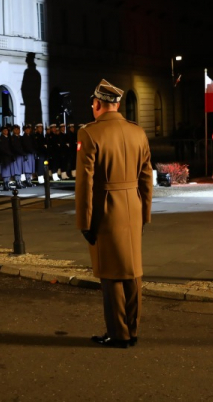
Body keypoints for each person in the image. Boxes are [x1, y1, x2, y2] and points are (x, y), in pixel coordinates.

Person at [76, 79, 152, 349]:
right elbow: (146, 177)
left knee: (111, 274)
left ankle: (118, 333)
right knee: (133, 271)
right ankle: (132, 329)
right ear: (117, 104)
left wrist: (84, 222)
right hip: (133, 204)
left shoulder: (89, 133)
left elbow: (85, 183)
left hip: (105, 207)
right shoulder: (137, 132)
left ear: (97, 104)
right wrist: (145, 212)